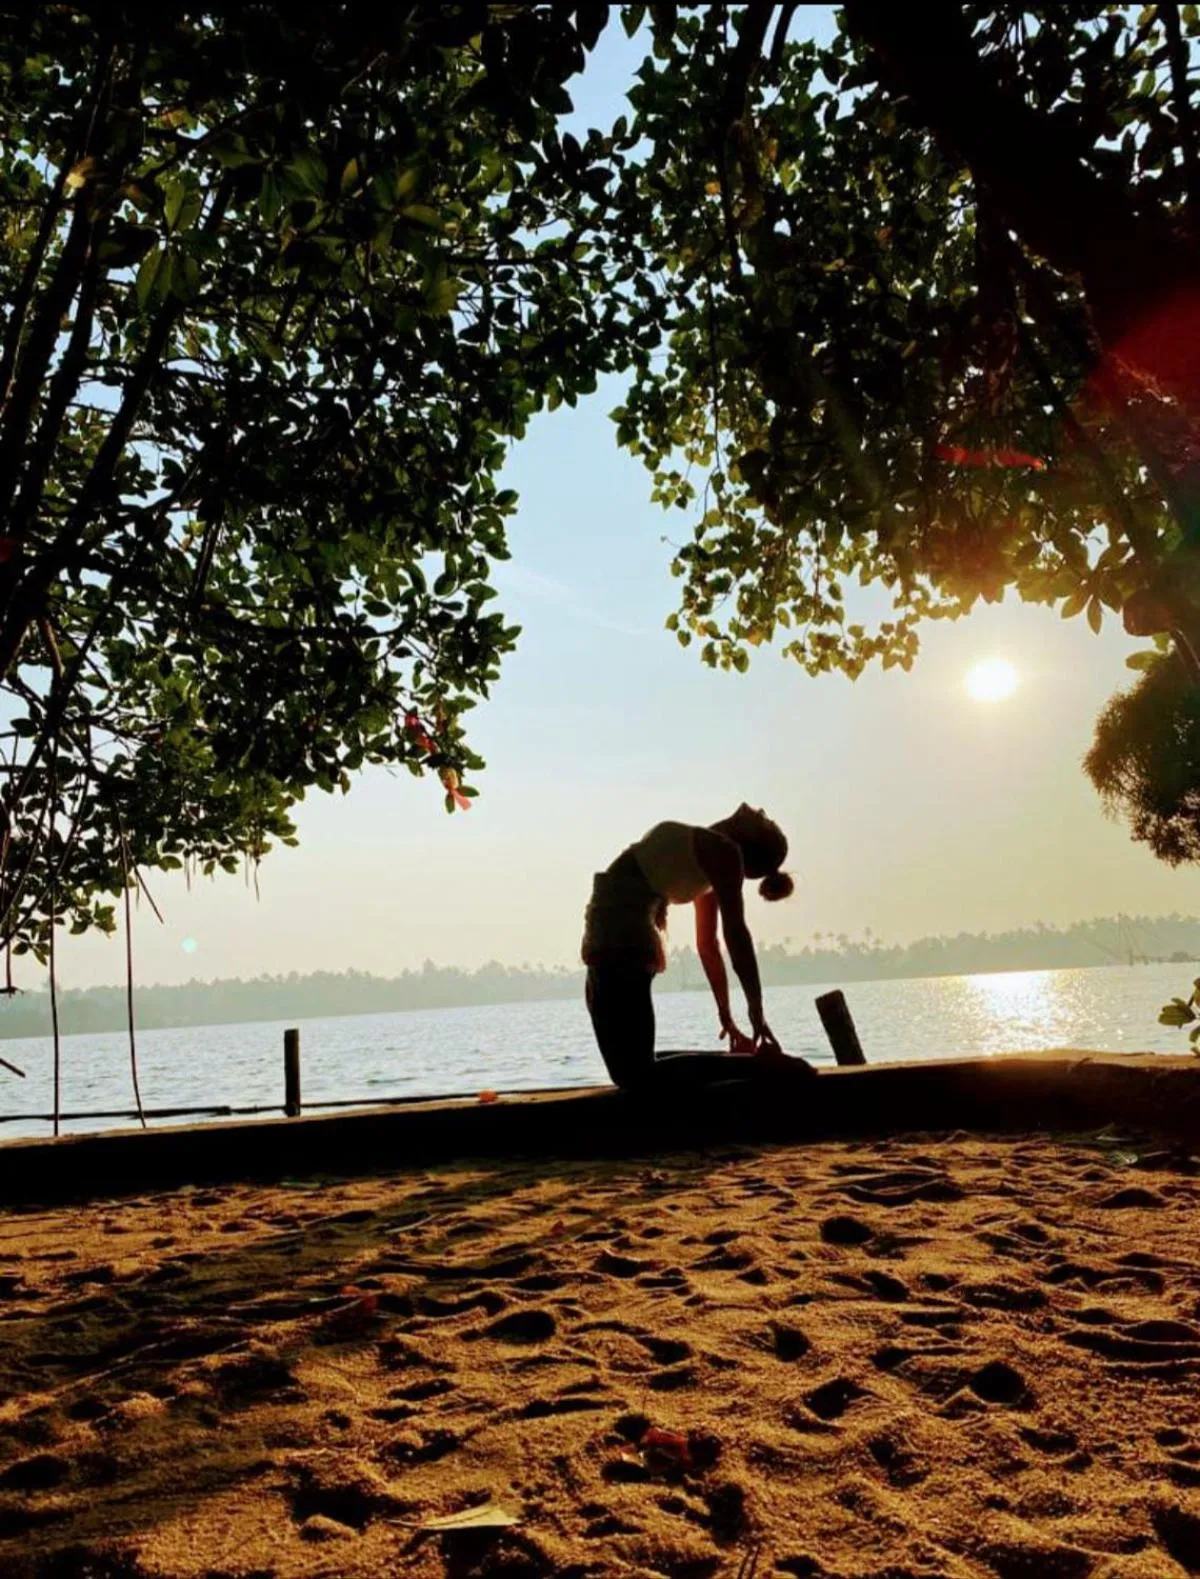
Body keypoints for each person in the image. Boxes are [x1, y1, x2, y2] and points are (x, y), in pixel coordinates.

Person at [581, 804, 813, 1091]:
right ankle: (748, 1063)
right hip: (614, 940)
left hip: (619, 942)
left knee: (635, 1074)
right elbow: (707, 946)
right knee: (636, 1069)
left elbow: (735, 935)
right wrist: (726, 1016)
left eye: (765, 819)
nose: (756, 810)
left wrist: (756, 1009)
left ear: (751, 839)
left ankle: (760, 1067)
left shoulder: (722, 851)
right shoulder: (709, 852)